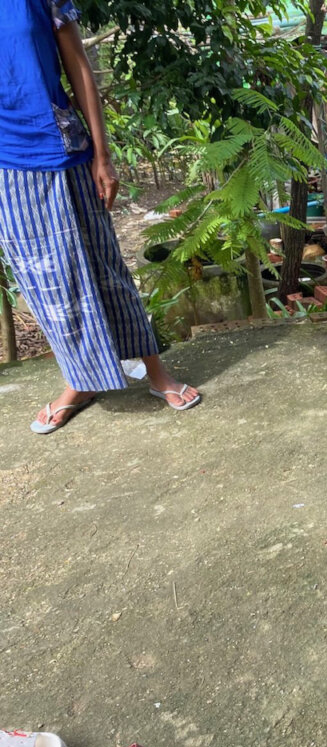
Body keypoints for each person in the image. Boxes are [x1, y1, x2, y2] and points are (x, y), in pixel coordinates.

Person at [0, 0, 200, 434]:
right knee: (44, 281)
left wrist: (102, 156)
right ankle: (80, 381)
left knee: (105, 267)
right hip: (6, 170)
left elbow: (79, 67)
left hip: (61, 150)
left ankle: (155, 371)